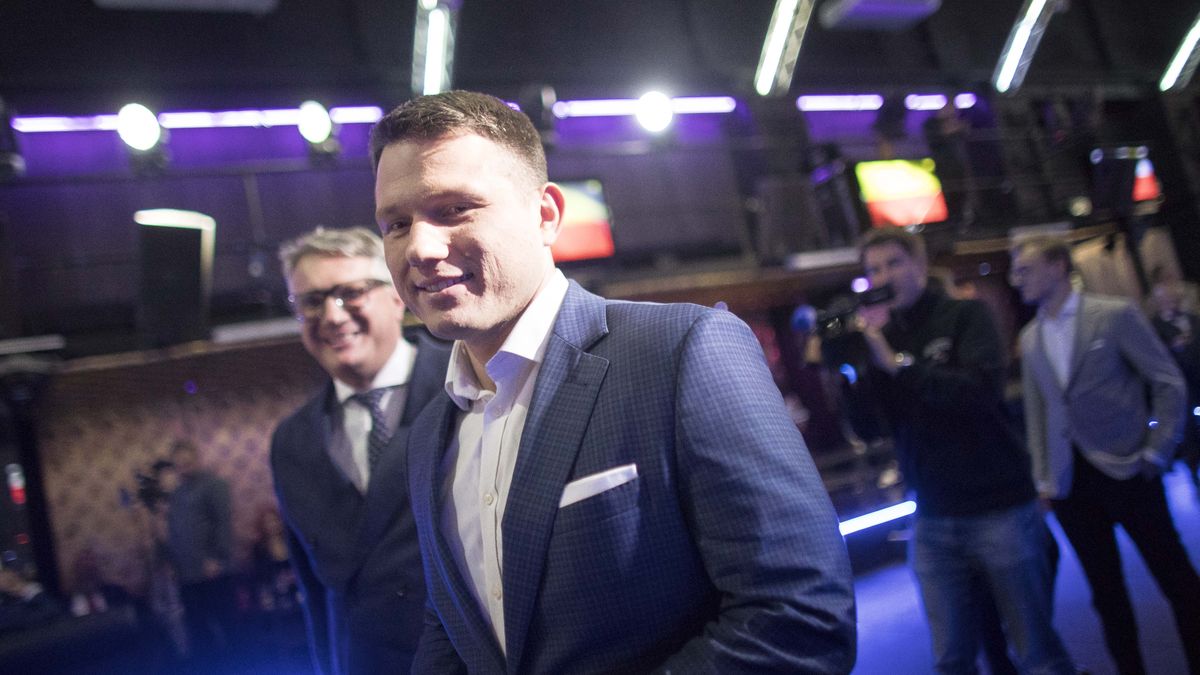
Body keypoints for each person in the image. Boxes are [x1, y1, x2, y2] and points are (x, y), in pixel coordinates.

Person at [370, 90, 856, 674]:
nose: (420, 247)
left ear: (546, 214)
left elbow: (799, 618)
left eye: (454, 209)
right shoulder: (428, 436)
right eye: (397, 223)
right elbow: (455, 631)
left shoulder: (683, 351)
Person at [854, 228, 1073, 674]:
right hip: (933, 517)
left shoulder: (965, 315)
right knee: (952, 659)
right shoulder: (880, 339)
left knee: (1037, 653)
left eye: (893, 264)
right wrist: (851, 368)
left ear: (917, 264)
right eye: (873, 269)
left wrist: (896, 364)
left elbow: (976, 392)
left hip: (999, 509)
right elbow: (869, 426)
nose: (883, 276)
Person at [1010, 235, 1200, 675]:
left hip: (1130, 468)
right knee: (1106, 594)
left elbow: (1167, 381)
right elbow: (1038, 415)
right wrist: (1043, 480)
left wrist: (1157, 451)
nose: (1016, 279)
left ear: (1057, 266)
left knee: (1175, 577)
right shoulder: (1031, 338)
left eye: (1026, 269)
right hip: (1071, 483)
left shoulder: (1112, 315)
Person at [270, 226, 452, 675]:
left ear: (396, 297)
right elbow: (316, 594)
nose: (331, 316)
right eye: (311, 301)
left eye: (350, 292)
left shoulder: (465, 384)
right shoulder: (291, 441)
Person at [163, 439, 235, 667]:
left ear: (196, 458)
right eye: (179, 464)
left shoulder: (215, 485)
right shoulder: (176, 494)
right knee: (198, 631)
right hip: (187, 576)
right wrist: (173, 565)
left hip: (213, 572)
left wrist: (217, 558)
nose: (183, 467)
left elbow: (223, 523)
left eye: (187, 461)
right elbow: (175, 532)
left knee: (227, 626)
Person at [1148, 276, 1200, 486]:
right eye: (1165, 298)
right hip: (1181, 391)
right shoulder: (1153, 327)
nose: (1170, 300)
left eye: (1173, 297)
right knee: (1190, 437)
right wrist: (1173, 348)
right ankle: (1195, 477)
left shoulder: (1193, 319)